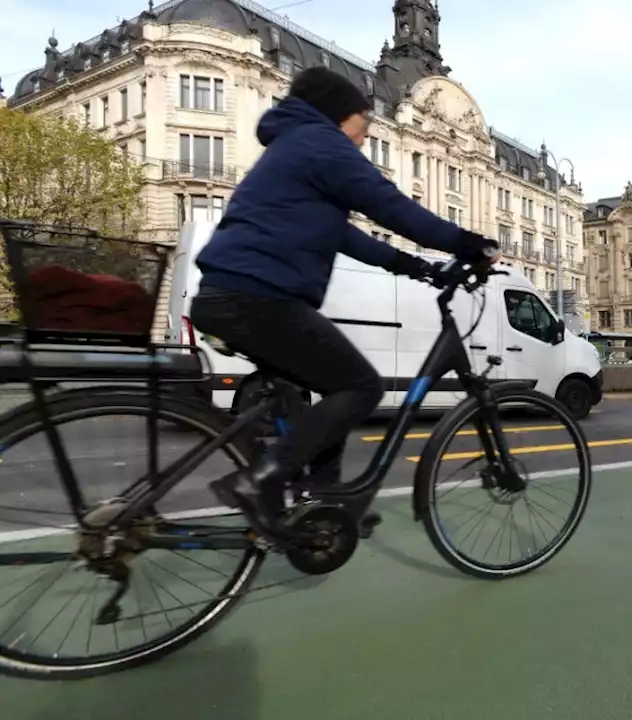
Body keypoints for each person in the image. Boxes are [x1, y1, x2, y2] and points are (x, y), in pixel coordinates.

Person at [189, 67, 498, 540]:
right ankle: (262, 480)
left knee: (331, 391)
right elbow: (388, 204)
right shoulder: (320, 142)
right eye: (363, 123)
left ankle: (325, 502)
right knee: (360, 387)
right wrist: (466, 242)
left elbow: (344, 236)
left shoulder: (293, 146)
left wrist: (415, 266)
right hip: (256, 296)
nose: (365, 136)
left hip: (232, 293)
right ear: (341, 114)